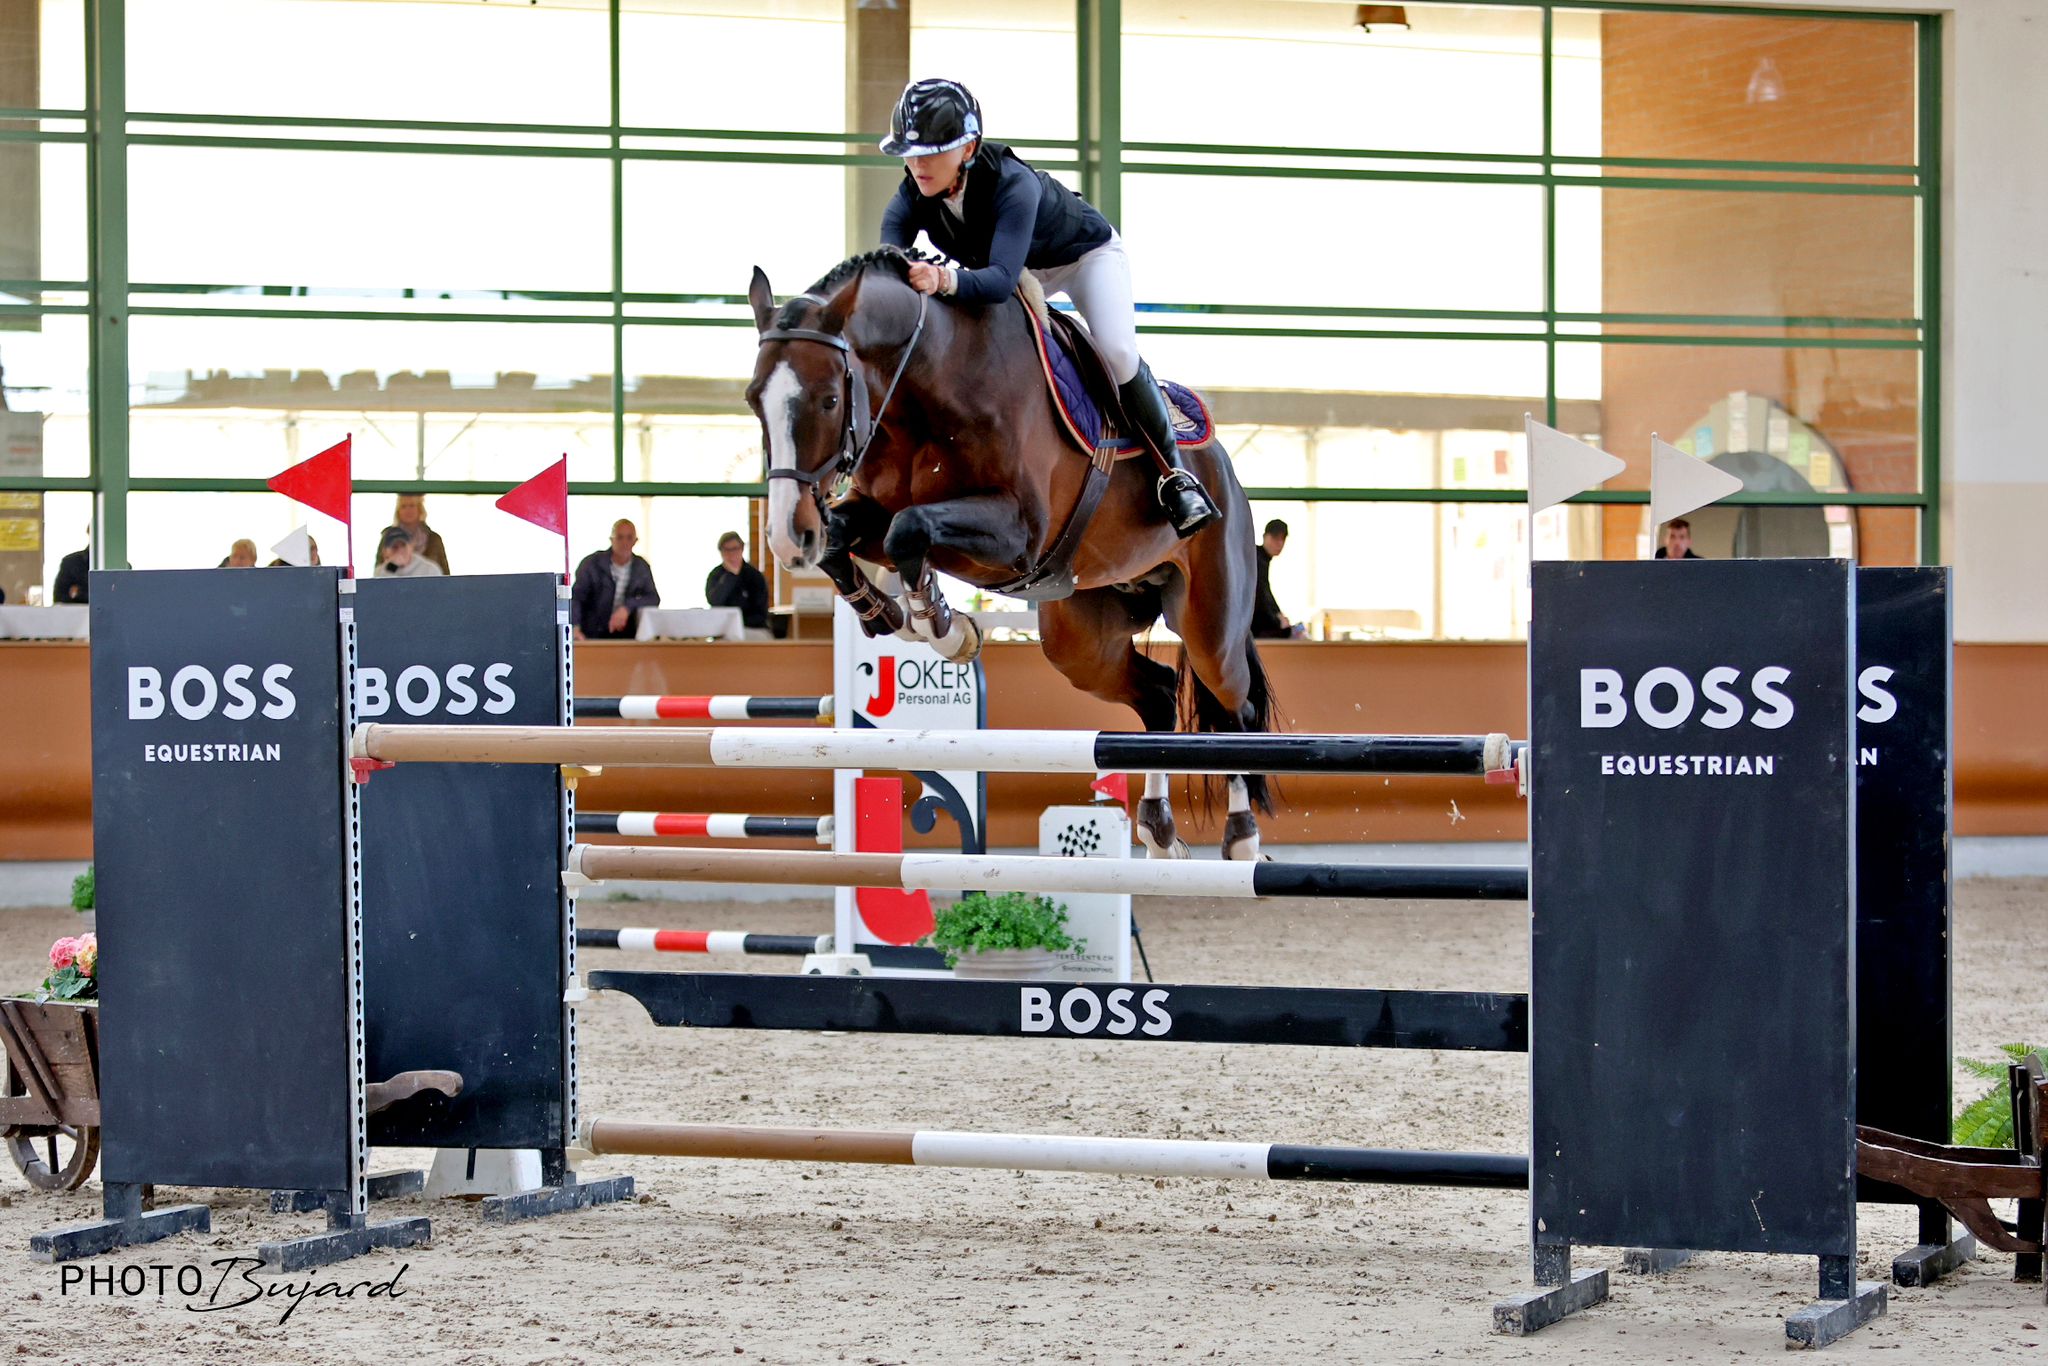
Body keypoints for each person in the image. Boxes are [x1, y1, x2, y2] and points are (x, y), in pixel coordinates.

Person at [877, 78, 1220, 539]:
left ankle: (1175, 477)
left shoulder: (1012, 183)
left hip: (1082, 259)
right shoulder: (910, 195)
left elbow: (1000, 281)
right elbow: (889, 266)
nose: (917, 164)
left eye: (932, 152)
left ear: (968, 148)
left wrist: (940, 278)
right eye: (910, 153)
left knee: (1117, 353)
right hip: (1018, 272)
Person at [572, 519, 661, 640]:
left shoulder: (641, 567)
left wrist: (627, 607)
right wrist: (574, 627)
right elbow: (576, 597)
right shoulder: (592, 564)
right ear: (612, 539)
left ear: (635, 541)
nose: (624, 542)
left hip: (628, 635)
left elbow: (653, 598)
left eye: (629, 538)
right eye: (620, 537)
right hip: (591, 633)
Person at [704, 531, 769, 629]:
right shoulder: (715, 575)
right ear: (721, 552)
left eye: (735, 549)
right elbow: (714, 601)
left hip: (752, 628)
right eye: (726, 550)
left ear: (742, 549)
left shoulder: (755, 576)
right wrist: (730, 576)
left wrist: (737, 623)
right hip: (722, 628)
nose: (731, 554)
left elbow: (761, 613)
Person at [1251, 519, 1301, 640]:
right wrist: (1277, 620)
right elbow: (1260, 595)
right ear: (1265, 537)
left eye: (1282, 539)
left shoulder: (1261, 559)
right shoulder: (1257, 559)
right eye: (1275, 538)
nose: (1279, 543)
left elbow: (1265, 592)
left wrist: (1278, 614)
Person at [391, 494, 451, 574]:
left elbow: (445, 573)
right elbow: (382, 574)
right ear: (398, 511)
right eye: (403, 506)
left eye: (412, 506)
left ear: (420, 509)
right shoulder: (389, 538)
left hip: (429, 581)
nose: (408, 510)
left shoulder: (434, 539)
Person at [374, 525, 445, 578]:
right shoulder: (380, 572)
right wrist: (392, 567)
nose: (400, 551)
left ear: (411, 547)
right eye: (395, 547)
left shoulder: (430, 569)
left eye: (403, 545)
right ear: (385, 551)